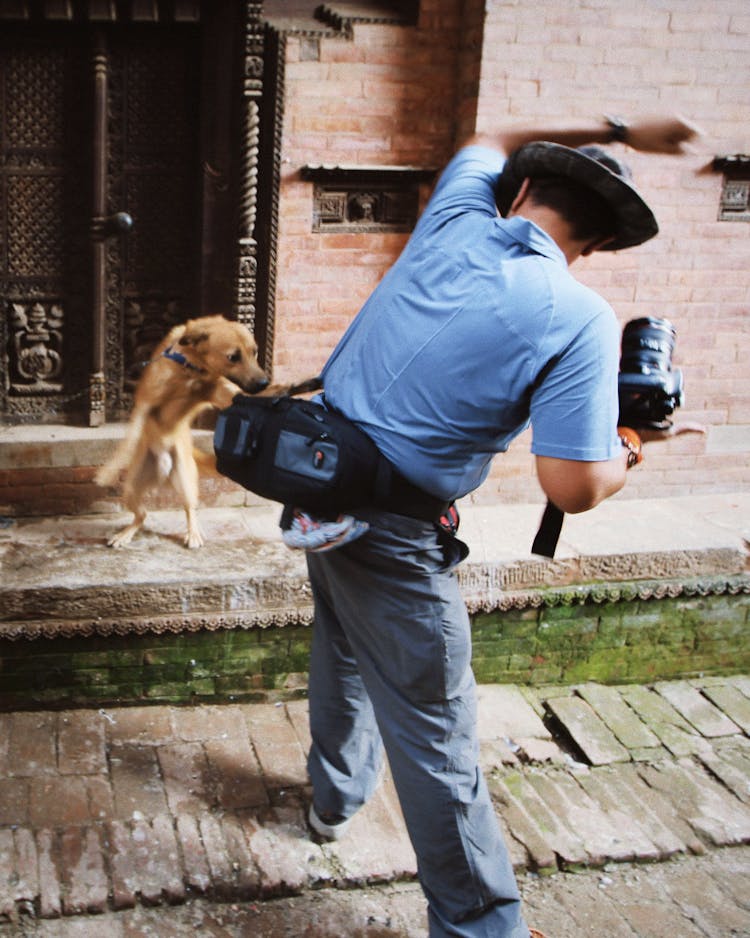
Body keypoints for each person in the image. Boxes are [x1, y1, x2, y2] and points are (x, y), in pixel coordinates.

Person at [302, 114, 699, 938]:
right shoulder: (580, 314)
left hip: (313, 479)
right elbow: (572, 485)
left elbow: (492, 132)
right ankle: (482, 929)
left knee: (342, 643)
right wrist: (631, 445)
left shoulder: (453, 220)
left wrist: (618, 127)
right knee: (438, 742)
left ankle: (332, 801)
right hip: (395, 535)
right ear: (594, 242)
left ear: (519, 191)